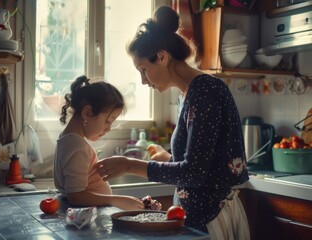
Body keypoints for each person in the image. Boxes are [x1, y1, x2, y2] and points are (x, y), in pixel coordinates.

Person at [97, 6, 250, 239]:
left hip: (213, 217)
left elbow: (195, 173)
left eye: (143, 70)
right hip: (199, 217)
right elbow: (204, 164)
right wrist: (169, 159)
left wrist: (129, 165)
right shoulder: (189, 93)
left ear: (162, 57)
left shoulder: (204, 90)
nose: (143, 81)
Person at [53, 75, 144, 211]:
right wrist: (116, 200)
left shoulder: (67, 139)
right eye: (108, 121)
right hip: (87, 215)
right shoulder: (78, 147)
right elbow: (76, 196)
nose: (108, 128)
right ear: (88, 112)